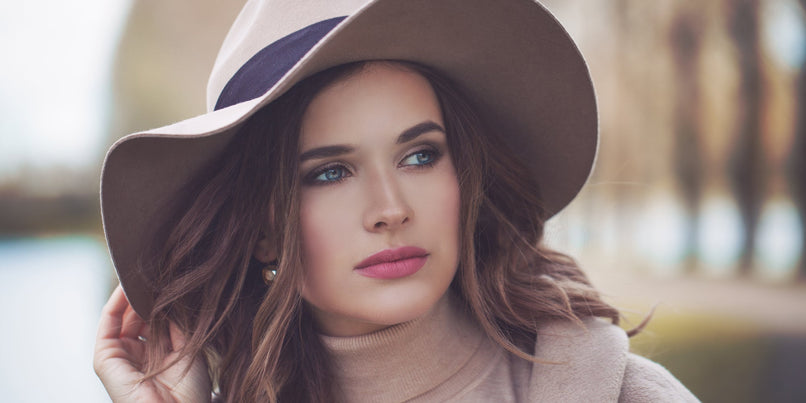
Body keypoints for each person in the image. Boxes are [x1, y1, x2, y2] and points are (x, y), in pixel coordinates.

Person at [94, 0, 699, 401]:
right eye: (330, 172)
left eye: (419, 156)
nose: (390, 208)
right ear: (262, 229)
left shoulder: (620, 393)